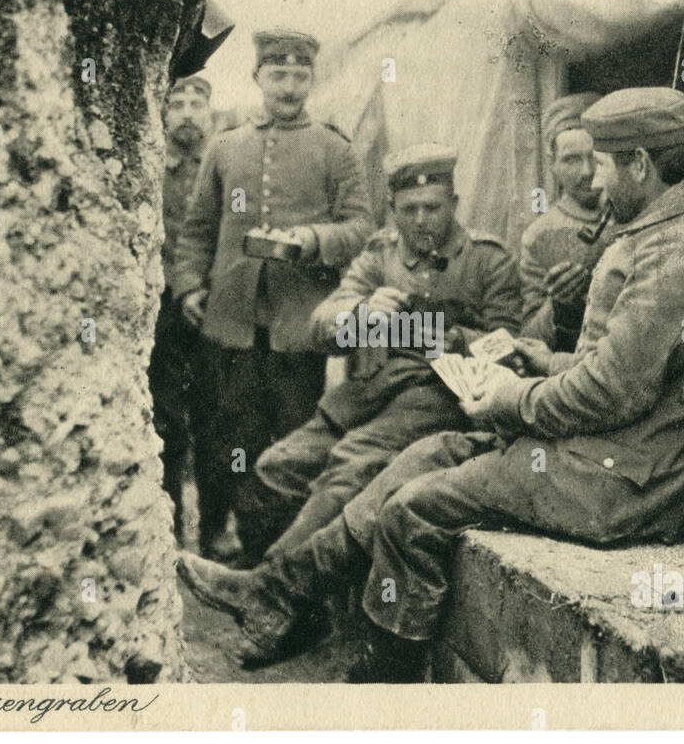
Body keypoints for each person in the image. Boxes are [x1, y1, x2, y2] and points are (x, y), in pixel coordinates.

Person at [177, 86, 684, 682]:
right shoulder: (668, 236)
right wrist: (545, 361)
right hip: (607, 453)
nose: (595, 184)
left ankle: (384, 681)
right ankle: (275, 592)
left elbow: (609, 392)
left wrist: (509, 395)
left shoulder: (679, 248)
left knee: (412, 509)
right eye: (409, 209)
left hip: (627, 482)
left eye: (603, 165)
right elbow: (616, 375)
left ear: (640, 163)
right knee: (425, 455)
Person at [221, 144, 521, 661]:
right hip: (364, 391)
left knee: (347, 467)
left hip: (434, 397)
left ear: (454, 200)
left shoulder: (488, 260)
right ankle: (304, 612)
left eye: (433, 206)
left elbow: (510, 349)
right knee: (276, 467)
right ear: (392, 209)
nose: (422, 219)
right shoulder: (380, 254)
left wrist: (449, 336)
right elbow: (322, 324)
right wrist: (362, 312)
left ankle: (268, 593)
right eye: (409, 209)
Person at [170, 29, 374, 564]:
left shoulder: (334, 149)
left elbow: (360, 228)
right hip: (230, 321)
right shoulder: (226, 145)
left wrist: (313, 240)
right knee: (226, 437)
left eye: (299, 76)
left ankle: (275, 548)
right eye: (278, 75)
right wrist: (190, 285)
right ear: (258, 78)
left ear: (312, 79)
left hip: (298, 326)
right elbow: (196, 229)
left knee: (288, 439)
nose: (289, 86)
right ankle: (217, 535)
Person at [147, 75, 229, 552]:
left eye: (196, 102)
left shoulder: (219, 168)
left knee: (215, 423)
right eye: (175, 102)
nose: (186, 112)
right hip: (162, 317)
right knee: (166, 424)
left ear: (210, 111)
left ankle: (215, 531)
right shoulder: (151, 168)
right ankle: (169, 531)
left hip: (208, 309)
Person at [519, 91, 614, 352]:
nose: (587, 172)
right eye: (571, 159)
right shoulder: (539, 235)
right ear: (553, 164)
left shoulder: (630, 215)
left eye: (594, 157)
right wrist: (558, 304)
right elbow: (529, 338)